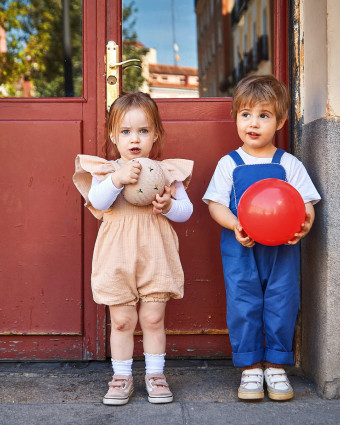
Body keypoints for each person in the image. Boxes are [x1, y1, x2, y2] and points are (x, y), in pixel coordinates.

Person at [202, 75, 320, 401]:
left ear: (280, 121)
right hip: (241, 248)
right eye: (246, 114)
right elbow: (215, 205)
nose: (253, 123)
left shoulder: (288, 164)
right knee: (244, 302)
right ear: (235, 117)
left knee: (282, 301)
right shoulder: (230, 164)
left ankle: (276, 365)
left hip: (283, 250)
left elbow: (306, 204)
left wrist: (304, 226)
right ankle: (250, 367)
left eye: (264, 115)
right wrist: (235, 223)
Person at [73, 92, 193, 405]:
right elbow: (96, 202)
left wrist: (168, 206)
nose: (134, 139)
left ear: (155, 134)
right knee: (123, 320)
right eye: (126, 132)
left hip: (155, 253)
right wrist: (117, 179)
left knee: (153, 318)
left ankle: (155, 374)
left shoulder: (166, 171)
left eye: (142, 131)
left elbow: (187, 212)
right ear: (113, 136)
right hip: (117, 255)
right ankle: (122, 376)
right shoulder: (106, 170)